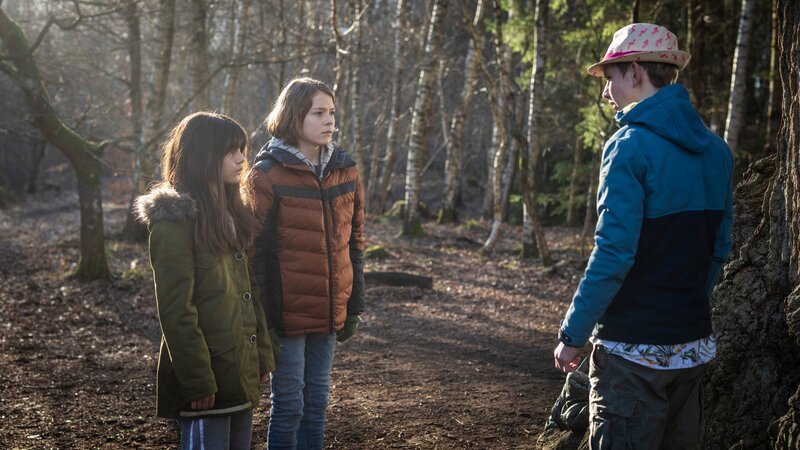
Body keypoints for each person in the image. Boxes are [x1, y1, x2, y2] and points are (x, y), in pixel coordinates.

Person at [553, 23, 733, 448]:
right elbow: (719, 252)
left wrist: (572, 336)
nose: (605, 92)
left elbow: (613, 255)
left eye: (611, 77)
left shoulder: (628, 147)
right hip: (692, 348)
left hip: (633, 355)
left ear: (635, 72)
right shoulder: (718, 152)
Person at [135, 112, 276, 449]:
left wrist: (261, 357)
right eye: (231, 152)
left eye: (241, 149)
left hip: (240, 367)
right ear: (202, 156)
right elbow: (176, 311)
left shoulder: (231, 214)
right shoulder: (174, 224)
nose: (242, 158)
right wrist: (198, 380)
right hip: (208, 378)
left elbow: (249, 293)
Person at [244, 77, 365, 450]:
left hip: (329, 309)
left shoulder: (346, 170)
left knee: (317, 402)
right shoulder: (266, 174)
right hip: (286, 314)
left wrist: (354, 305)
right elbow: (253, 253)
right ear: (294, 116)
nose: (329, 120)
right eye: (318, 112)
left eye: (332, 112)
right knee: (289, 405)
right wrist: (266, 315)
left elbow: (355, 243)